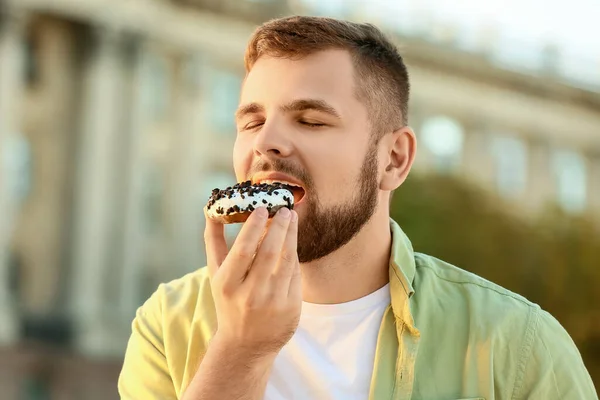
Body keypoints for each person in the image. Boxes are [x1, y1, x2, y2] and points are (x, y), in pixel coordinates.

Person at [118, 16, 598, 400]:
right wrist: (239, 353)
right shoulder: (168, 324)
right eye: (252, 121)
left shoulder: (517, 345)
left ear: (393, 159)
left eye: (310, 120)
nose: (266, 144)